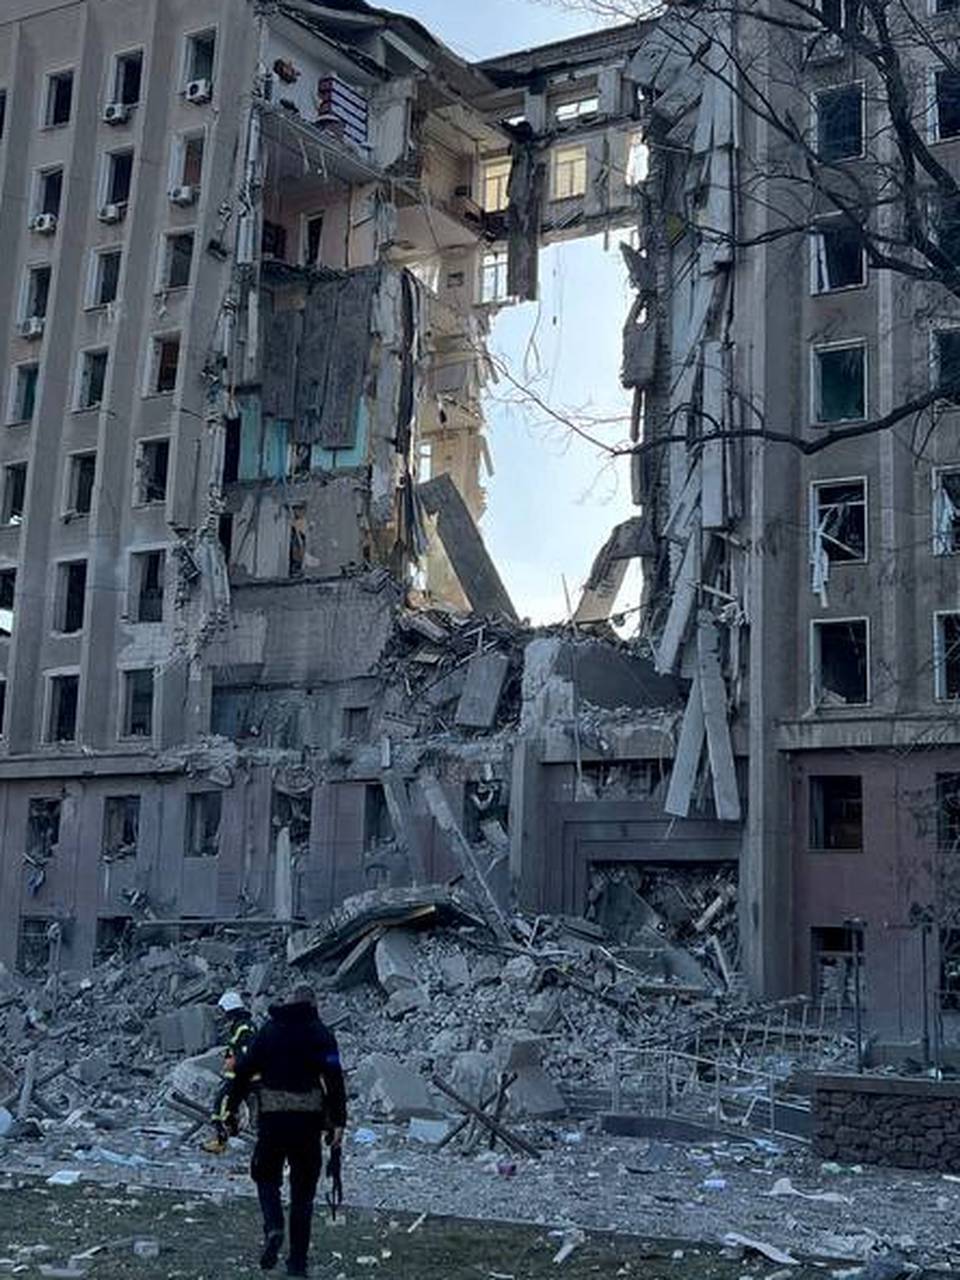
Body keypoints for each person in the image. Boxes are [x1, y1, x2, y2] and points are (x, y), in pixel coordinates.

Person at [225, 982, 346, 1277]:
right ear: (314, 1006)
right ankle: (297, 1265)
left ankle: (274, 1225)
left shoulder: (269, 1031)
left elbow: (243, 1070)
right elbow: (334, 1077)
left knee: (265, 1176)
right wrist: (339, 1121)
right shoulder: (322, 1035)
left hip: (273, 1119)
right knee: (303, 1194)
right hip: (307, 1122)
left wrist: (231, 1109)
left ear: (290, 1002)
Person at [202, 990, 256, 1155]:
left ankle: (221, 1141)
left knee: (222, 1105)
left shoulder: (243, 1027)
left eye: (223, 1010)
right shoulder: (241, 1025)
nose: (222, 1015)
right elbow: (236, 1049)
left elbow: (246, 1052)